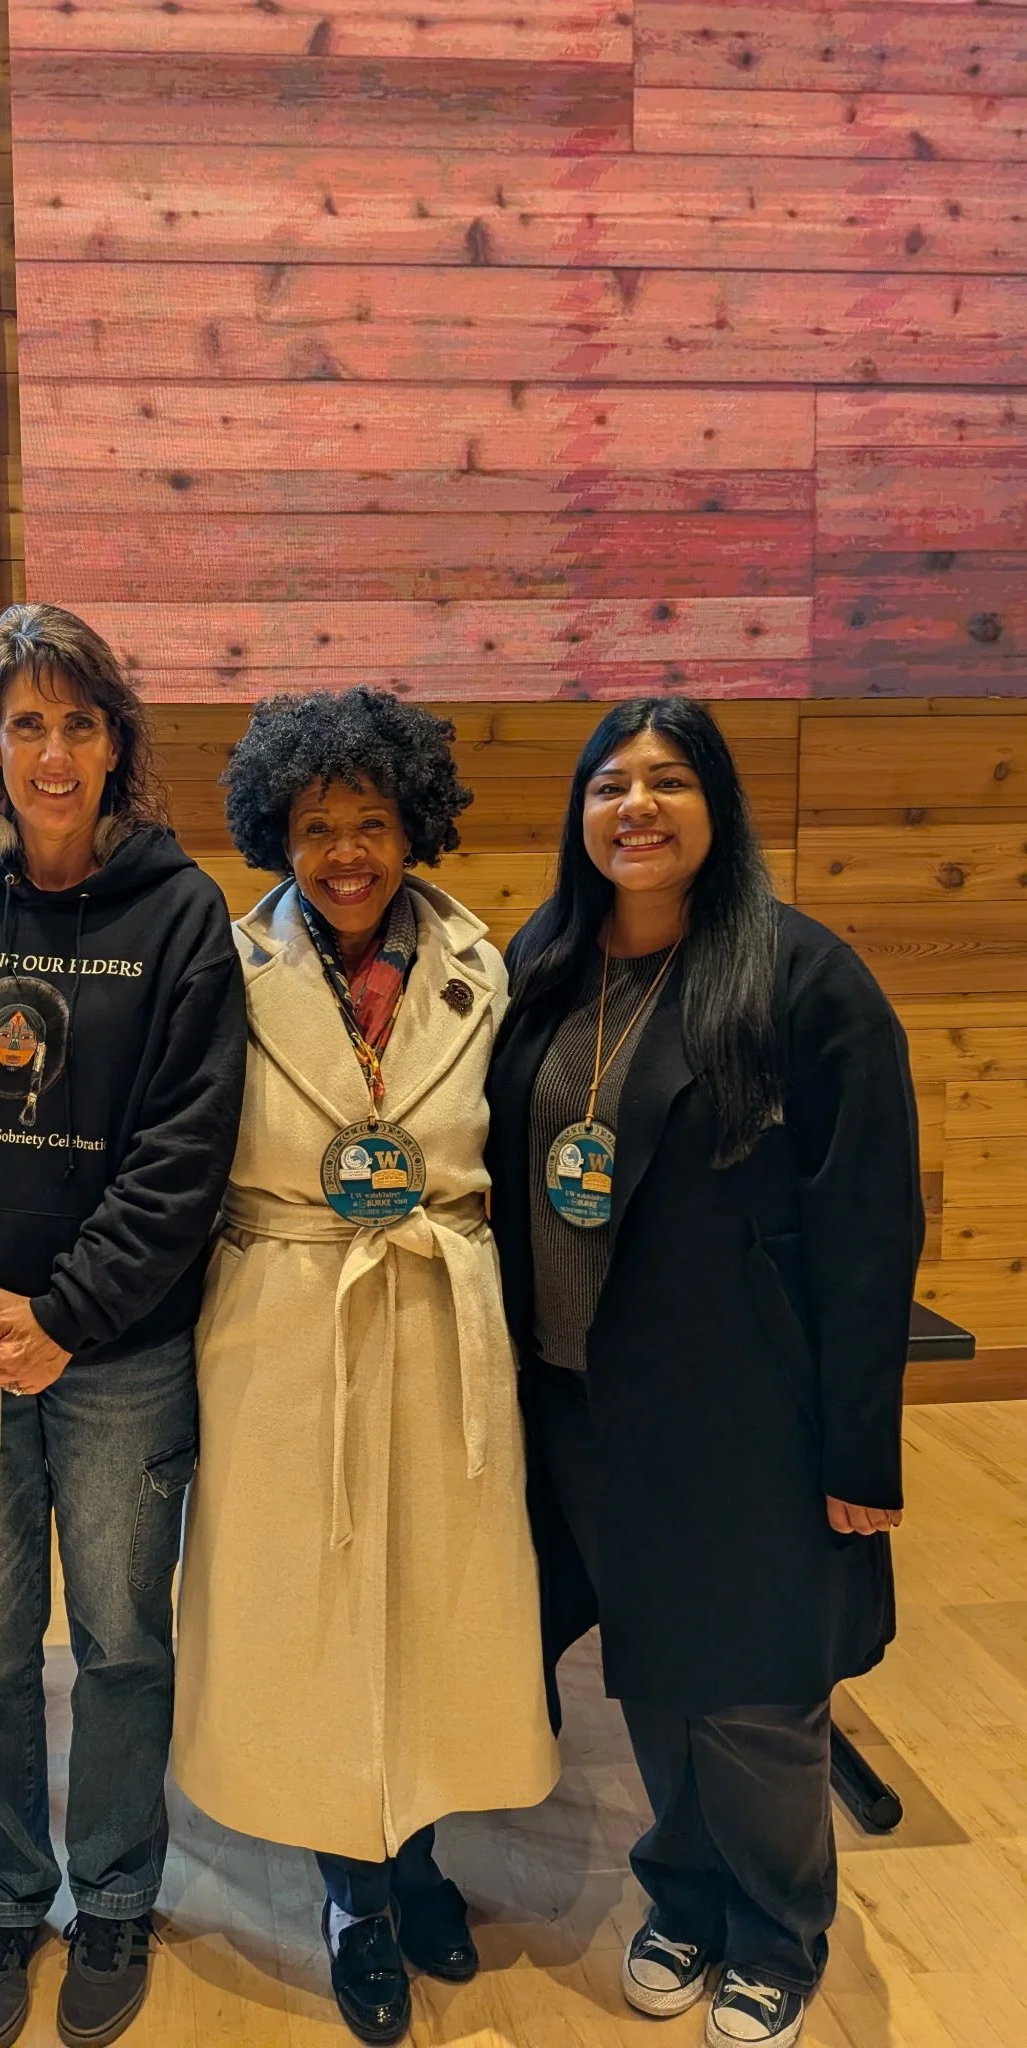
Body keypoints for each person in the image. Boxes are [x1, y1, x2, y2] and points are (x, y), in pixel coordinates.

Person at [485, 697, 923, 2048]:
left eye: (669, 780)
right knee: (655, 1675)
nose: (637, 807)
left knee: (755, 1693)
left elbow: (868, 1232)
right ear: (580, 815)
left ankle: (777, 1935)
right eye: (611, 782)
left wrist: (860, 1454)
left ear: (715, 807)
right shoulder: (547, 966)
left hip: (745, 1420)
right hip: (579, 1400)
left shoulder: (804, 979)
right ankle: (680, 1892)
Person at [173, 688, 559, 2048]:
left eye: (374, 823)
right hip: (285, 1314)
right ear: (276, 833)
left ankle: (421, 1853)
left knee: (438, 1603)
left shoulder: (481, 964)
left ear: (416, 830)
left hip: (445, 1305)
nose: (346, 853)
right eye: (318, 824)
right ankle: (352, 1886)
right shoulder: (222, 964)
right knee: (313, 1603)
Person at [0, 603, 246, 2048]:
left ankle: (111, 1893)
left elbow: (185, 1152)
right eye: (24, 724)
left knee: (118, 1642)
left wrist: (70, 1315)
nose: (52, 751)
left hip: (120, 1360)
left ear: (117, 749)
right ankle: (4, 1896)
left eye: (78, 724)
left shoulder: (182, 919)